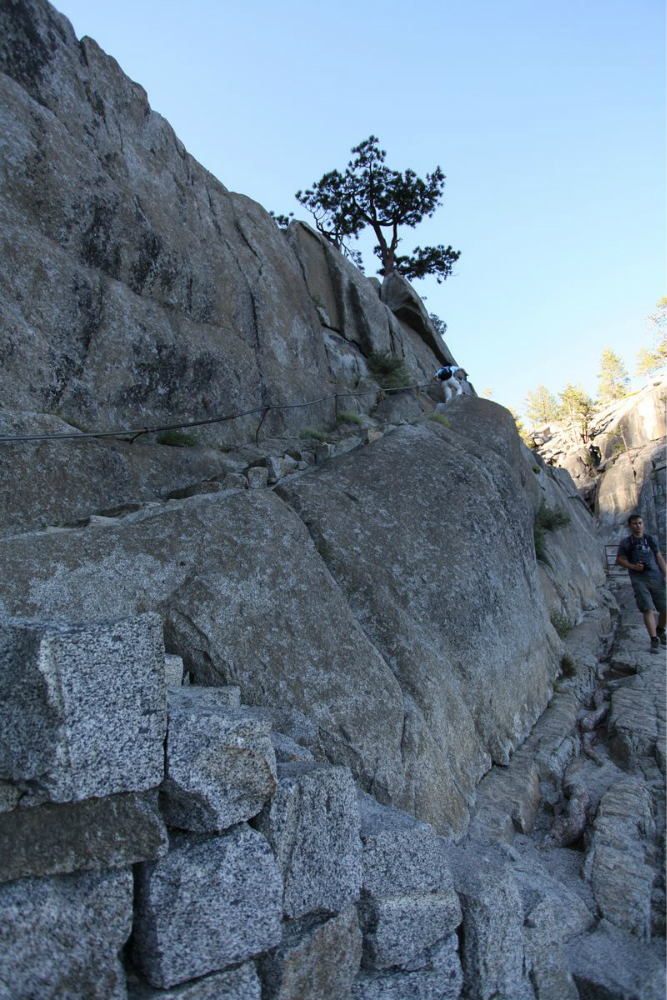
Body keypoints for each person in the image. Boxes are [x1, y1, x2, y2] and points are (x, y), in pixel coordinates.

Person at [616, 513, 667, 654]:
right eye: (634, 523)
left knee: (664, 608)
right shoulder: (626, 542)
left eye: (639, 523)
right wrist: (633, 567)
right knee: (648, 608)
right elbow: (619, 559)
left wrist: (666, 574)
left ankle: (660, 630)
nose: (637, 525)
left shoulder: (651, 539)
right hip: (639, 579)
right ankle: (654, 639)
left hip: (655, 576)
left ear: (643, 524)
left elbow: (659, 556)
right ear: (630, 525)